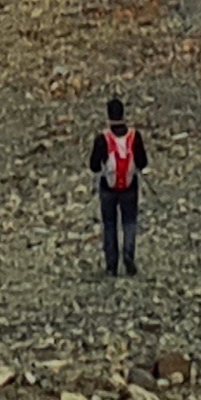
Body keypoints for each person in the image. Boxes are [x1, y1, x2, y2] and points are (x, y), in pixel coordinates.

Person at [87, 96, 146, 276]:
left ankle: (111, 266)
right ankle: (128, 254)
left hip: (108, 187)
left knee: (110, 225)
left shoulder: (102, 139)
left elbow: (94, 165)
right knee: (129, 222)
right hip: (129, 186)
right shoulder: (134, 136)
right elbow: (142, 162)